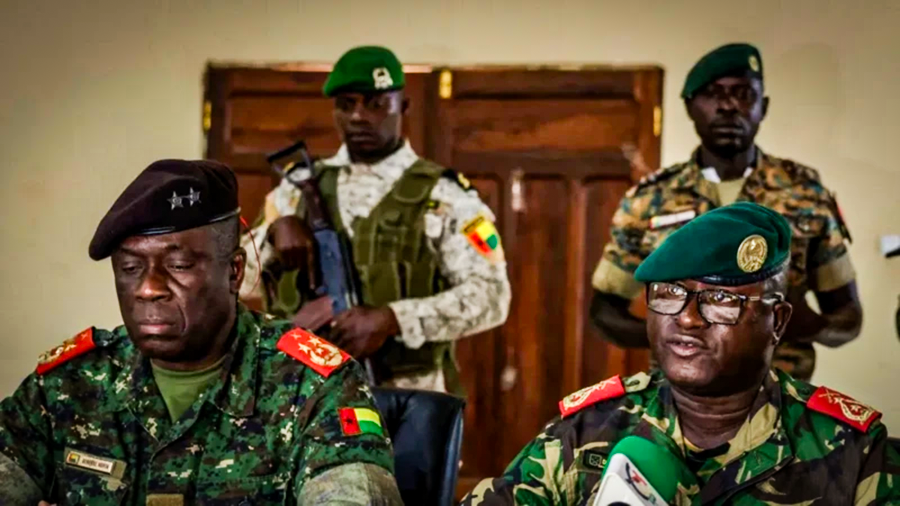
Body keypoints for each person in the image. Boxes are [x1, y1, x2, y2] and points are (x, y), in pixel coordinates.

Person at [0, 160, 402, 505]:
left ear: (234, 272)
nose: (148, 288)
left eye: (178, 266)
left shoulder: (314, 388)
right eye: (130, 268)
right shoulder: (68, 385)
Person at [463, 203, 900, 505]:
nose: (688, 318)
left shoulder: (853, 453)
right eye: (670, 293)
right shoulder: (585, 431)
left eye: (721, 299)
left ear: (778, 322)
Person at [241, 46, 511, 393]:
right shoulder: (295, 189)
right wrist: (273, 233)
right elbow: (238, 280)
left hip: (407, 395)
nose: (358, 116)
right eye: (346, 104)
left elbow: (492, 297)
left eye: (376, 104)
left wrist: (393, 319)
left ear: (403, 107)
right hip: (305, 394)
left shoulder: (444, 195)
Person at [590, 43, 861, 381]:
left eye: (743, 94)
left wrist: (809, 325)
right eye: (713, 94)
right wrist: (673, 332)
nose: (729, 106)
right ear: (690, 107)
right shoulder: (650, 200)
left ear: (763, 107)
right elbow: (603, 311)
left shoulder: (805, 195)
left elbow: (849, 318)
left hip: (777, 393)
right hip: (679, 395)